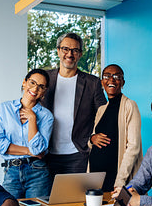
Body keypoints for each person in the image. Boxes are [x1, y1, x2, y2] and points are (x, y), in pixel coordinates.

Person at [41, 32, 106, 176]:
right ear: (58, 51)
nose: (69, 54)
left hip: (78, 153)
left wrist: (94, 136)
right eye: (65, 49)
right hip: (47, 153)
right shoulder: (45, 79)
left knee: (75, 198)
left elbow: (104, 115)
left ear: (80, 54)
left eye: (75, 50)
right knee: (49, 198)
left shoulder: (92, 83)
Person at [0, 69, 54, 199]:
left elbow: (38, 149)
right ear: (24, 83)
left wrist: (32, 119)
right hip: (11, 171)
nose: (35, 89)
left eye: (41, 86)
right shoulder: (5, 108)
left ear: (44, 91)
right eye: (32, 83)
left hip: (38, 173)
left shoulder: (46, 116)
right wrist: (29, 151)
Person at [88, 64, 143, 192]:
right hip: (96, 178)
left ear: (122, 82)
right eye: (107, 76)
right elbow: (92, 141)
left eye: (117, 76)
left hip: (116, 179)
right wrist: (92, 139)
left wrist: (120, 180)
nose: (111, 80)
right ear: (102, 82)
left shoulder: (130, 106)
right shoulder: (101, 109)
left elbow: (134, 146)